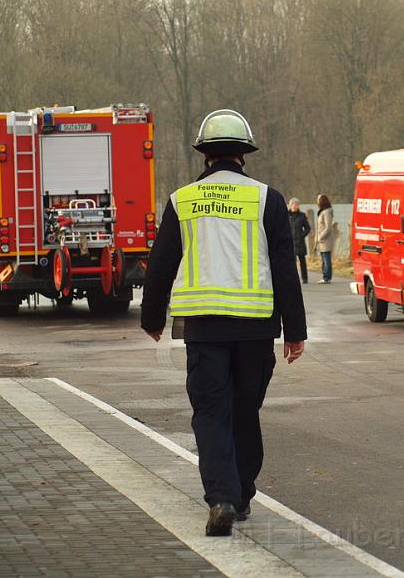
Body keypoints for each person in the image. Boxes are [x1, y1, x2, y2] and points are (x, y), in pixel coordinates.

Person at [140, 109, 307, 537]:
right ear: (244, 157)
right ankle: (243, 495)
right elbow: (285, 269)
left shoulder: (182, 201)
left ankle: (222, 498)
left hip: (204, 330)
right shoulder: (267, 199)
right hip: (255, 329)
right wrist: (296, 332)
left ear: (204, 157)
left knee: (211, 414)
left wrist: (152, 316)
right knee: (245, 413)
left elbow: (160, 266)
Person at [288, 198, 310, 284]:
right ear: (290, 205)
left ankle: (305, 278)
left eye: (297, 204)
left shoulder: (302, 215)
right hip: (290, 242)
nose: (296, 206)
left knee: (302, 261)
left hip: (300, 242)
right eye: (294, 204)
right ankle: (292, 278)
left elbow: (308, 228)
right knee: (291, 262)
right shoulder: (286, 215)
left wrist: (302, 236)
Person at [315, 194, 335, 284]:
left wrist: (321, 236)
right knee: (324, 259)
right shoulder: (322, 212)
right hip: (322, 240)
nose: (317, 201)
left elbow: (328, 227)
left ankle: (327, 277)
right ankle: (325, 276)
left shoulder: (327, 212)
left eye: (318, 200)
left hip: (326, 240)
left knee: (326, 259)